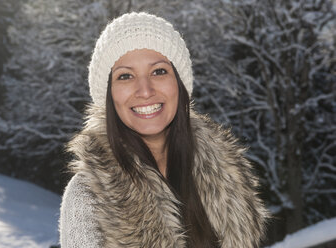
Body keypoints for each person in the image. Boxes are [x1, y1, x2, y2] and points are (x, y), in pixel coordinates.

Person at [59, 12, 268, 248]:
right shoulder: (88, 196)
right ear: (109, 96)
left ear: (179, 84)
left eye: (158, 71)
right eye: (125, 76)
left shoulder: (228, 179)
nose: (145, 90)